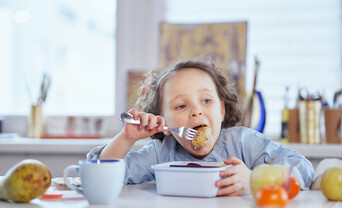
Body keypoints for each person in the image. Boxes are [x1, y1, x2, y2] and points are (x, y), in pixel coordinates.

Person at [87, 59, 314, 196]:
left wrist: (255, 179)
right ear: (163, 121)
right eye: (181, 105)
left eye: (206, 101)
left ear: (222, 110)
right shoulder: (161, 153)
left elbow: (302, 168)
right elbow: (101, 177)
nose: (196, 111)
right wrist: (126, 139)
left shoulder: (243, 143)